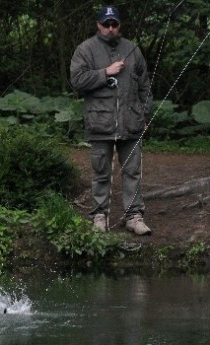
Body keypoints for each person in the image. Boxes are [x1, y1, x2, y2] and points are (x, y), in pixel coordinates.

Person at [70, 5, 152, 236]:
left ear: (119, 25)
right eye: (106, 24)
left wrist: (145, 114)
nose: (110, 28)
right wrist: (105, 72)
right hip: (100, 123)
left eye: (114, 24)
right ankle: (99, 216)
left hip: (131, 123)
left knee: (133, 171)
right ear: (98, 25)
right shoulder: (85, 49)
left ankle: (134, 216)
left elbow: (145, 85)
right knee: (101, 172)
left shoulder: (132, 49)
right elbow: (77, 81)